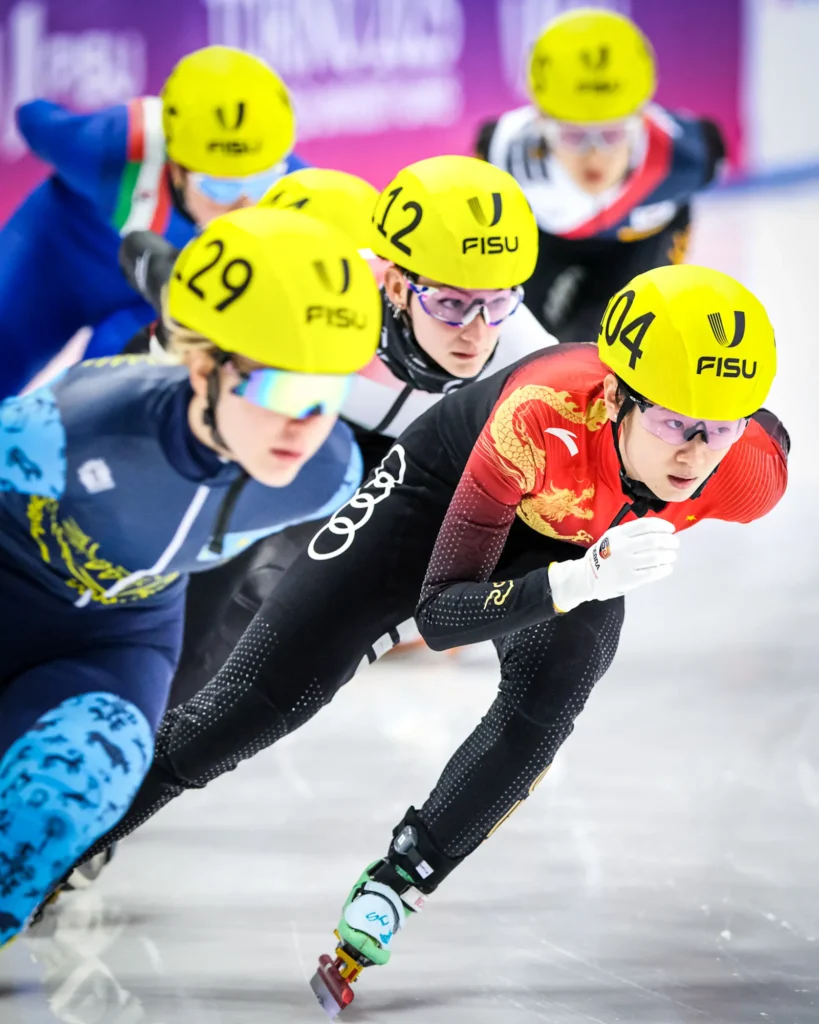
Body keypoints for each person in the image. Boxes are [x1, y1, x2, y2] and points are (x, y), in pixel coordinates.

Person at [72, 262, 789, 1013]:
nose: (695, 454)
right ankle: (64, 836)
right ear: (614, 396)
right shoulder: (535, 414)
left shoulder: (746, 475)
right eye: (675, 423)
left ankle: (401, 879)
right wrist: (582, 578)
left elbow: (738, 443)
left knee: (557, 684)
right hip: (440, 501)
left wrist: (585, 573)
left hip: (576, 541)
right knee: (251, 706)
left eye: (719, 428)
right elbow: (443, 617)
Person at [0, 206, 382, 945]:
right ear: (202, 368)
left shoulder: (327, 472)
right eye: (279, 391)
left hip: (115, 639)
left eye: (328, 394)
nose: (304, 425)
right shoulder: (77, 426)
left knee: (76, 792)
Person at [115, 157, 554, 707]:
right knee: (231, 570)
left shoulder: (528, 360)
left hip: (414, 466)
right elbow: (168, 292)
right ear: (395, 286)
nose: (475, 328)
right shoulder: (330, 305)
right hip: (319, 439)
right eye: (449, 303)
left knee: (269, 594)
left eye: (497, 303)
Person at [0, 45, 304, 399]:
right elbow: (33, 118)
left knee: (102, 408)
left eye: (261, 181)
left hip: (150, 298)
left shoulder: (296, 190)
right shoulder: (108, 147)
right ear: (175, 169)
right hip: (53, 265)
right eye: (220, 187)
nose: (245, 204)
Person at [477, 8, 726, 341]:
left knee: (609, 343)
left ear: (641, 119)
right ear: (539, 121)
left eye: (612, 134)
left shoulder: (689, 159)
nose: (594, 154)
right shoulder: (503, 153)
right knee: (516, 335)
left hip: (642, 240)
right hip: (543, 238)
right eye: (573, 135)